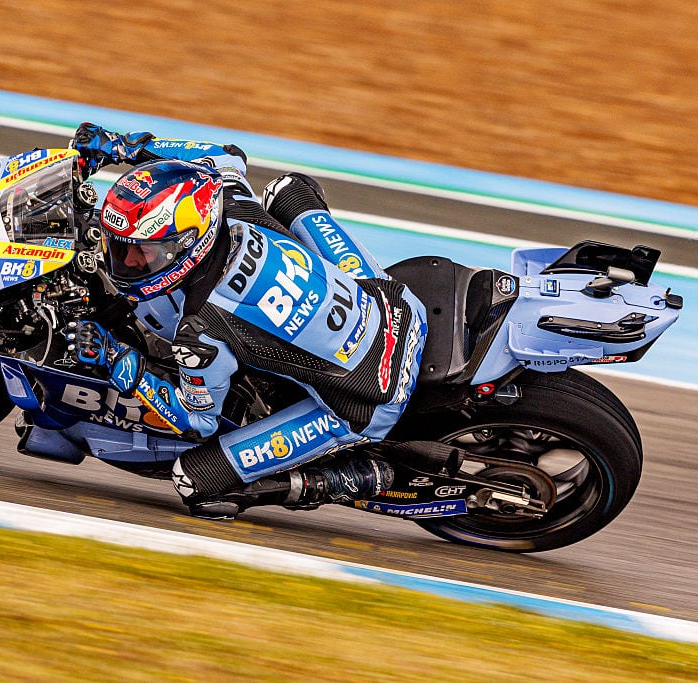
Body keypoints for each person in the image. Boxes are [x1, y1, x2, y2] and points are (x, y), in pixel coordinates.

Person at [67, 122, 428, 519]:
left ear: (188, 243)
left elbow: (196, 421)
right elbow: (226, 154)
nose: (128, 262)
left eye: (144, 253)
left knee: (193, 479)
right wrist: (125, 146)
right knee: (287, 189)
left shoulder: (200, 329)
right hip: (397, 307)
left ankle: (343, 478)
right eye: (119, 247)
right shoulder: (232, 199)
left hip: (366, 398)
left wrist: (119, 361)